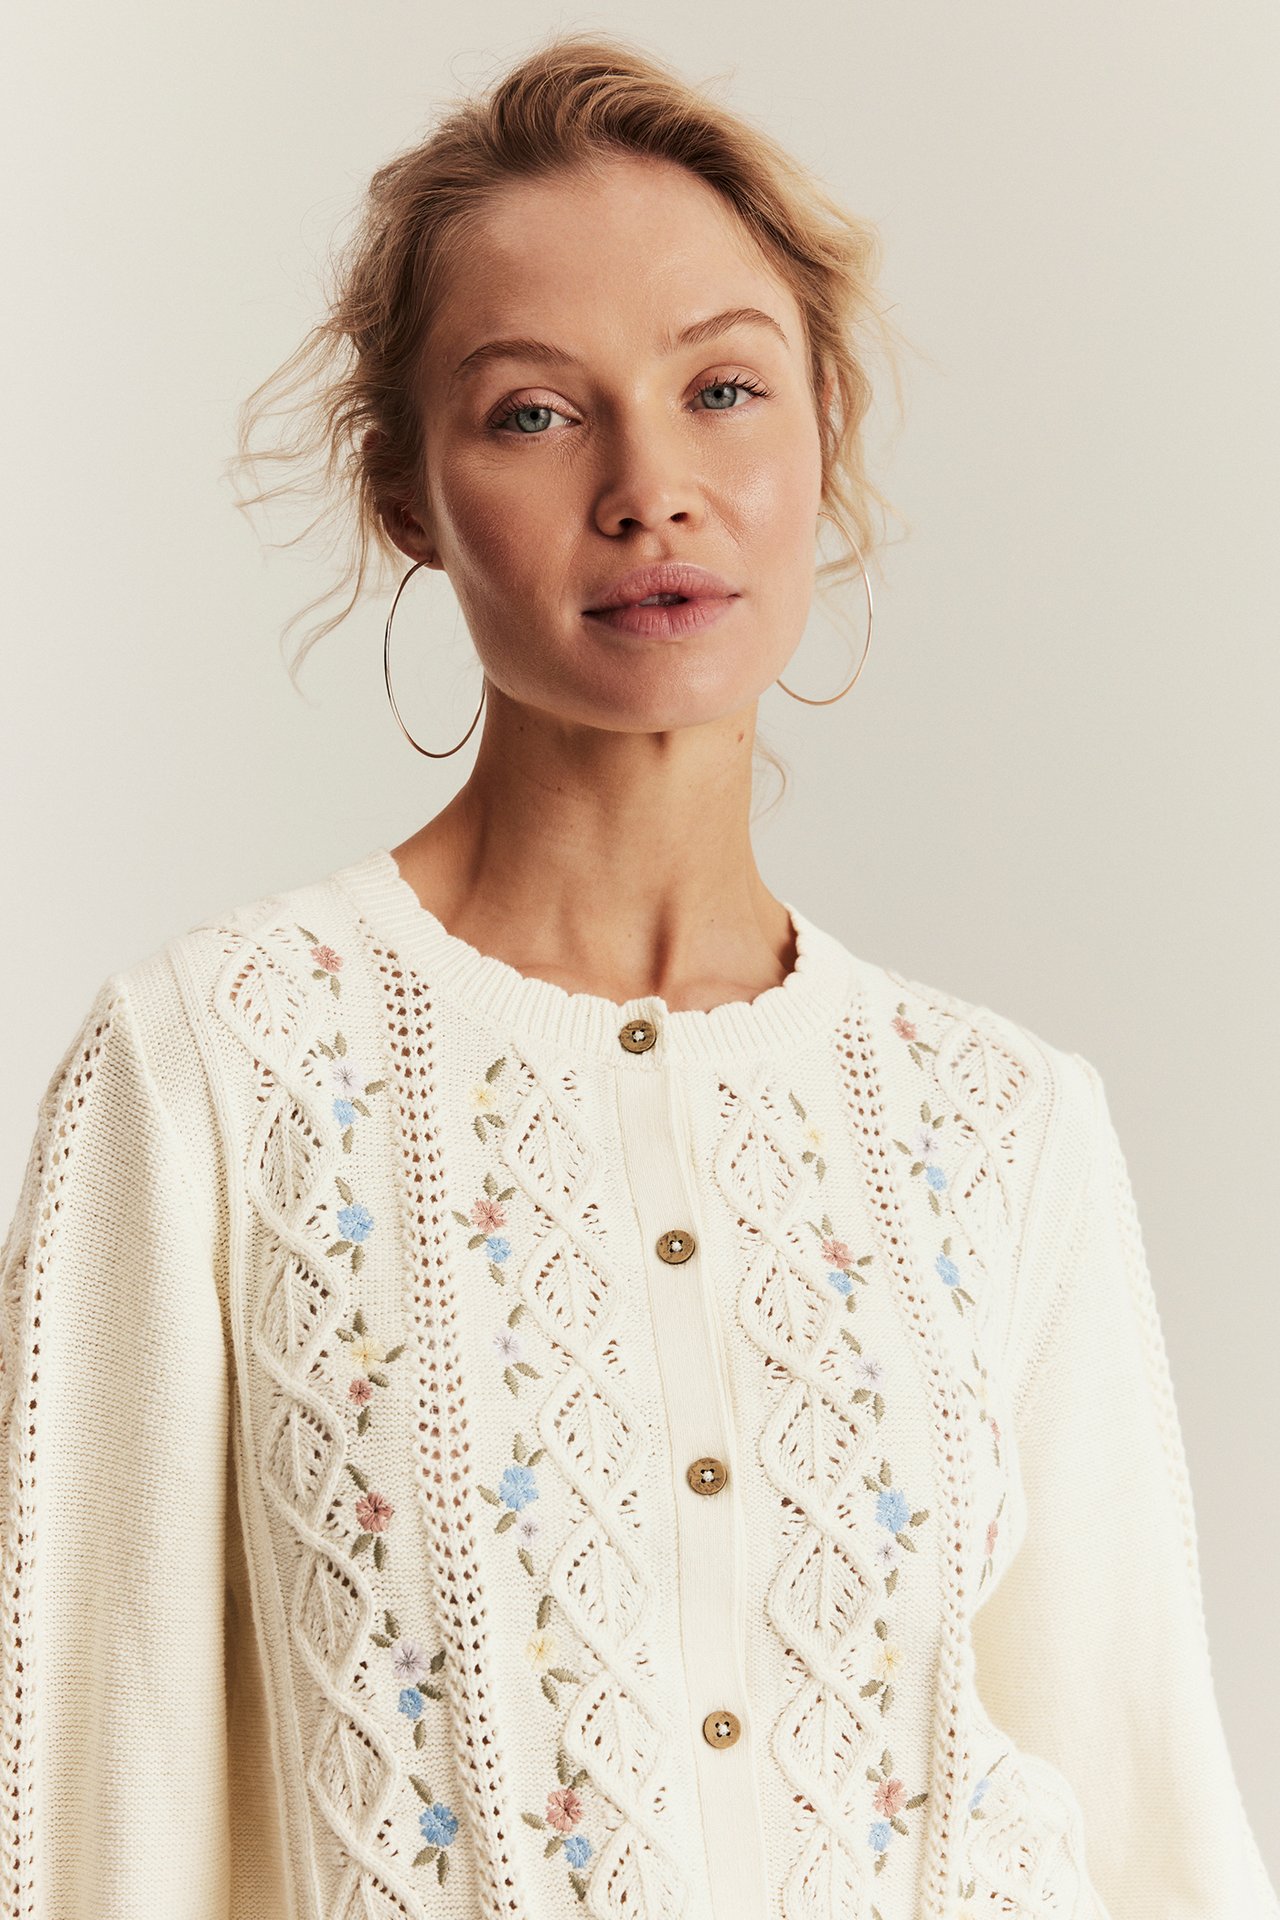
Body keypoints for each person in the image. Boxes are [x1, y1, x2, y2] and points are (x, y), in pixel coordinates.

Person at [1, 30, 1275, 1920]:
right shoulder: (210, 1074)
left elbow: (1148, 1806)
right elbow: (93, 1829)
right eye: (533, 412)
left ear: (822, 433)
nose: (651, 487)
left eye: (726, 389)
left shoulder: (1004, 1128)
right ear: (406, 495)